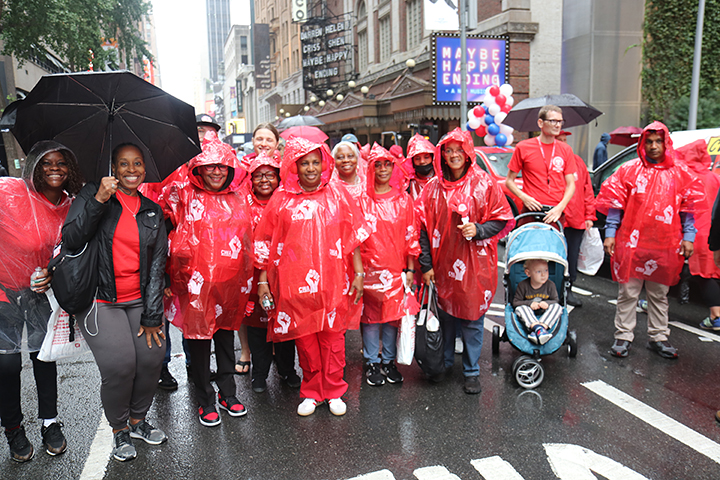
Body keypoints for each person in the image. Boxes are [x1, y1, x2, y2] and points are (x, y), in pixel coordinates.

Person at [65, 143, 168, 462]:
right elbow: (71, 239)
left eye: (137, 163)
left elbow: (157, 265)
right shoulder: (93, 195)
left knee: (152, 358)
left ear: (144, 169)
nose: (131, 170)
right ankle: (119, 428)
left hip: (139, 299)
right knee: (120, 366)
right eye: (123, 164)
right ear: (113, 168)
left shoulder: (152, 210)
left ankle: (137, 421)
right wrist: (98, 200)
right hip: (101, 299)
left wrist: (153, 315)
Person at [254, 137, 369, 417]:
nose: (310, 168)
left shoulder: (337, 193)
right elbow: (265, 242)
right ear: (294, 166)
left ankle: (334, 390)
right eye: (304, 163)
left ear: (324, 164)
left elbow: (353, 236)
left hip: (334, 281)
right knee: (305, 340)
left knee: (332, 339)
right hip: (294, 283)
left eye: (316, 162)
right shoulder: (281, 199)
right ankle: (311, 390)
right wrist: (263, 282)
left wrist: (359, 273)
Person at [162, 129, 254, 427]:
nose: (216, 171)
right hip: (195, 285)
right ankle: (205, 399)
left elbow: (247, 240)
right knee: (199, 343)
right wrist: (167, 277)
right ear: (198, 168)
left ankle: (228, 392)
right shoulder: (183, 194)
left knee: (225, 338)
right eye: (210, 165)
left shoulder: (239, 197)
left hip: (230, 285)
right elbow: (164, 231)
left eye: (222, 166)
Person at [0, 141, 83, 462]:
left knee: (44, 358)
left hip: (41, 295)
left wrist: (54, 272)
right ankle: (13, 428)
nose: (54, 168)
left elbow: (72, 251)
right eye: (47, 162)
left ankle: (50, 422)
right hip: (4, 292)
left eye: (61, 162)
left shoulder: (72, 205)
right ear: (33, 166)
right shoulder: (10, 192)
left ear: (70, 169)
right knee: (7, 365)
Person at [417, 127, 514, 394]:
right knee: (446, 316)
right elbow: (422, 227)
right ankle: (446, 362)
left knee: (472, 318)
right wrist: (426, 265)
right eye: (449, 150)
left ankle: (471, 371)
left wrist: (479, 230)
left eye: (459, 150)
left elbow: (501, 218)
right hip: (443, 264)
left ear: (468, 152)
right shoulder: (433, 188)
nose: (454, 155)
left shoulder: (485, 183)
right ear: (442, 154)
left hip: (475, 265)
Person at [596, 122, 704, 359]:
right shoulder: (629, 170)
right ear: (642, 144)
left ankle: (659, 337)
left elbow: (688, 208)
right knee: (628, 292)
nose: (654, 146)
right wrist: (610, 233)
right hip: (632, 242)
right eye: (649, 142)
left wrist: (689, 237)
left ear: (666, 143)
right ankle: (623, 336)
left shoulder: (680, 172)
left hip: (665, 243)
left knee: (658, 294)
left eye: (658, 141)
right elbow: (615, 204)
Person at [241, 151, 301, 394]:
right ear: (251, 179)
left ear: (278, 178)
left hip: (284, 275)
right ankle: (259, 373)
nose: (264, 180)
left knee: (285, 324)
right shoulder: (243, 205)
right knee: (257, 326)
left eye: (269, 175)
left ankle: (288, 370)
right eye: (258, 176)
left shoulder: (288, 203)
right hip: (253, 278)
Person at [360, 144, 420, 386]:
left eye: (387, 164)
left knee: (392, 317)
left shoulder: (404, 200)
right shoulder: (362, 201)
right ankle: (372, 362)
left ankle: (388, 361)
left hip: (396, 269)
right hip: (369, 270)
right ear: (371, 169)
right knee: (370, 317)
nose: (383, 169)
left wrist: (410, 269)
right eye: (378, 165)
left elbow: (411, 236)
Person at [234, 122, 281, 374]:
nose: (264, 144)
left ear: (277, 143)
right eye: (259, 139)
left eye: (268, 139)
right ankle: (246, 350)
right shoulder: (243, 169)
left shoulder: (286, 169)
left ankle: (273, 347)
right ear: (253, 141)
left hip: (279, 253)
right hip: (248, 251)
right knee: (246, 304)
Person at [673, 140, 720, 330]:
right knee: (711, 272)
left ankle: (716, 315)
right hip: (714, 231)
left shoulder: (685, 177)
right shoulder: (715, 178)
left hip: (694, 233)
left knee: (702, 274)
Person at [506, 105, 576, 225]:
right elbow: (509, 181)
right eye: (553, 121)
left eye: (560, 121)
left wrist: (560, 208)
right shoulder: (523, 147)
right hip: (531, 210)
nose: (557, 125)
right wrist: (524, 197)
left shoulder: (566, 149)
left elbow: (571, 185)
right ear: (540, 123)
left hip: (555, 212)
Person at [556, 130, 596, 307]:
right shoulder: (548, 163)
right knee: (554, 256)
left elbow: (588, 190)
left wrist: (589, 216)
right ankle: (550, 289)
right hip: (555, 218)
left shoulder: (578, 162)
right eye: (559, 140)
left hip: (576, 218)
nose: (563, 143)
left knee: (572, 256)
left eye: (565, 140)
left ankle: (568, 288)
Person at [512, 259, 562, 345]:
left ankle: (540, 329)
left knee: (557, 307)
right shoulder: (523, 285)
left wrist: (547, 304)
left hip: (545, 315)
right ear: (528, 273)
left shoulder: (550, 285)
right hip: (529, 316)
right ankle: (537, 328)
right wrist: (529, 304)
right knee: (520, 308)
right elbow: (516, 302)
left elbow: (556, 300)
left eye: (546, 270)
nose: (543, 274)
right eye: (539, 271)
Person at [405, 133, 436, 201]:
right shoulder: (407, 184)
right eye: (417, 158)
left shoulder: (442, 181)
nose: (422, 161)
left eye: (426, 157)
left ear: (432, 158)